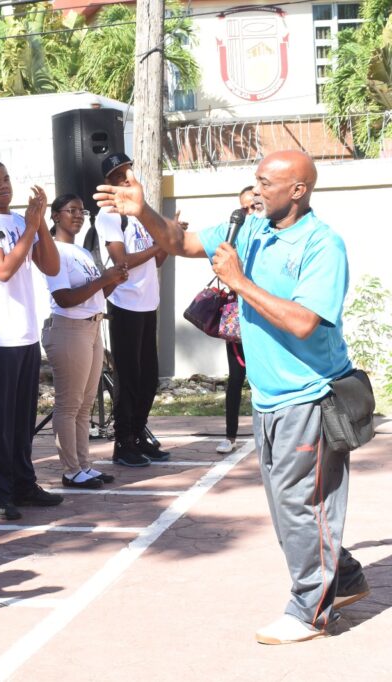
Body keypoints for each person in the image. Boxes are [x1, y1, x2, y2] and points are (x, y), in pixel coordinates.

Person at [94, 149, 370, 645]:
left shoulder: (321, 244)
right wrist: (143, 212)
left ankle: (311, 609)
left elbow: (306, 323)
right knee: (292, 506)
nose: (257, 189)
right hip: (270, 397)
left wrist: (240, 281)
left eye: (267, 182)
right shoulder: (247, 225)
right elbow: (179, 241)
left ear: (298, 190)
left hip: (310, 395)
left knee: (300, 504)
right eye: (256, 180)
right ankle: (343, 576)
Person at [0, 159, 62, 521]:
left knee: (23, 418)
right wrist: (32, 226)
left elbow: (50, 267)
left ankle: (24, 483)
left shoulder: (22, 222)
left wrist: (40, 225)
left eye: (7, 179)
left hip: (23, 332)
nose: (4, 186)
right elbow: (3, 269)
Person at [43, 194, 126, 489]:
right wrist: (104, 280)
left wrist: (112, 281)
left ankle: (84, 465)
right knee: (69, 403)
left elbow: (93, 295)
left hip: (91, 327)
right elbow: (64, 299)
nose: (78, 215)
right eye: (71, 210)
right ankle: (70, 469)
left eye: (82, 211)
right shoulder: (53, 250)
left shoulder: (80, 251)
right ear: (54, 216)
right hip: (68, 329)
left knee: (85, 403)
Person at [95, 152, 171, 467]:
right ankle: (122, 443)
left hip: (148, 302)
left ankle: (139, 435)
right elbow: (121, 261)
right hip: (125, 304)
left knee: (149, 377)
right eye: (119, 175)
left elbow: (159, 260)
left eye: (128, 171)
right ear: (109, 183)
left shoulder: (139, 214)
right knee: (128, 377)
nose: (127, 178)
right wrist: (161, 243)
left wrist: (165, 242)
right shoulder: (109, 216)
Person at [216, 186, 257, 455]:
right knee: (236, 378)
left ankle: (269, 434)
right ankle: (230, 436)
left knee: (261, 379)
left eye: (254, 206)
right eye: (244, 208)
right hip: (239, 318)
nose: (249, 212)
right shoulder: (236, 236)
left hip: (267, 318)